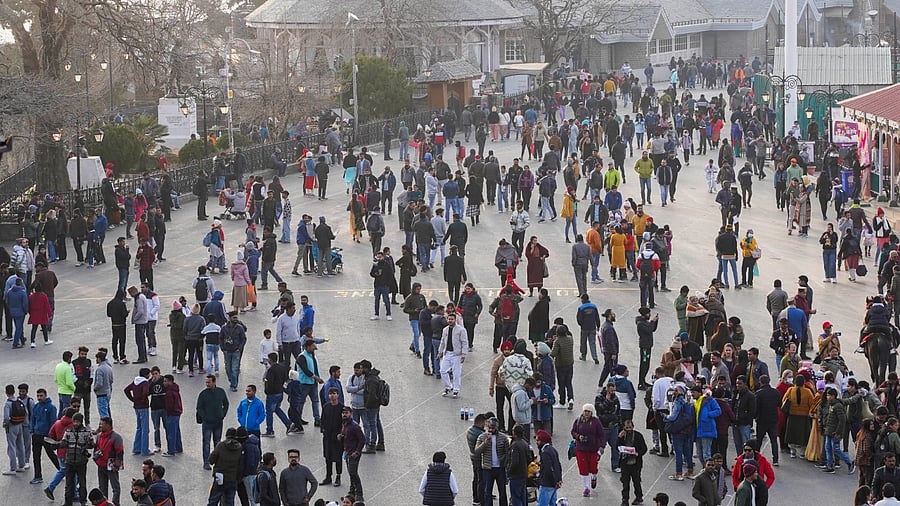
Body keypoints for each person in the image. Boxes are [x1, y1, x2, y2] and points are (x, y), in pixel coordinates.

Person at [571, 403, 606, 497]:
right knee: (583, 468)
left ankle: (594, 476)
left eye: (588, 411)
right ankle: (586, 488)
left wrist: (602, 446)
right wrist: (578, 437)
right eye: (585, 411)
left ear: (591, 412)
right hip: (581, 449)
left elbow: (602, 434)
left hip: (593, 449)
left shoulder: (596, 422)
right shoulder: (578, 420)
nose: (586, 413)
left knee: (593, 467)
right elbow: (573, 432)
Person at [196, 374, 229, 470]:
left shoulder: (221, 392)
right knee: (206, 442)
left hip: (218, 421)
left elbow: (226, 404)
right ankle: (206, 462)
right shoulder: (203, 394)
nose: (207, 384)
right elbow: (199, 407)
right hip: (207, 423)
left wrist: (223, 414)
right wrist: (205, 417)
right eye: (206, 382)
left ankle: (217, 461)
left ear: (214, 382)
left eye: (209, 382)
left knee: (217, 442)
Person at [474, 417, 509, 506]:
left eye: (493, 428)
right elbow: (477, 451)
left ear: (496, 428)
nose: (490, 430)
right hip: (487, 469)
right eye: (489, 428)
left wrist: (504, 463)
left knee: (502, 492)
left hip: (500, 468)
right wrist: (485, 443)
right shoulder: (482, 437)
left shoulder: (503, 438)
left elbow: (507, 452)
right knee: (487, 492)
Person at [206, 428, 243, 506]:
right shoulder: (239, 448)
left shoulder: (221, 445)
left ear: (226, 435)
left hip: (220, 478)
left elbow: (211, 460)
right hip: (232, 478)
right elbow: (241, 464)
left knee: (213, 500)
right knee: (229, 502)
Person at [93, 417, 123, 506]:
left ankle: (115, 504)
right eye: (100, 424)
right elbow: (96, 448)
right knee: (102, 488)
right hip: (101, 465)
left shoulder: (116, 438)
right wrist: (96, 459)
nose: (100, 426)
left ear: (108, 425)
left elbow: (120, 453)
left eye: (102, 424)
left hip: (111, 467)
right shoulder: (99, 436)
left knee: (115, 488)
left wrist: (116, 465)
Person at [340, 405, 366, 501]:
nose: (344, 415)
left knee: (353, 473)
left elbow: (362, 440)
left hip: (353, 454)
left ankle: (359, 494)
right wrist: (341, 437)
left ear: (351, 414)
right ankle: (352, 492)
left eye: (346, 413)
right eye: (343, 413)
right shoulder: (344, 424)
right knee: (351, 473)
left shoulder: (355, 426)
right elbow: (346, 438)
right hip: (347, 453)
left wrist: (357, 451)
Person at [123, 367, 152, 457]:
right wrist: (143, 399)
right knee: (145, 429)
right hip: (143, 406)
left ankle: (137, 448)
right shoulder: (145, 382)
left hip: (136, 406)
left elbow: (126, 390)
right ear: (146, 375)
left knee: (139, 427)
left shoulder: (135, 381)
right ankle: (144, 450)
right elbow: (145, 392)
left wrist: (133, 399)